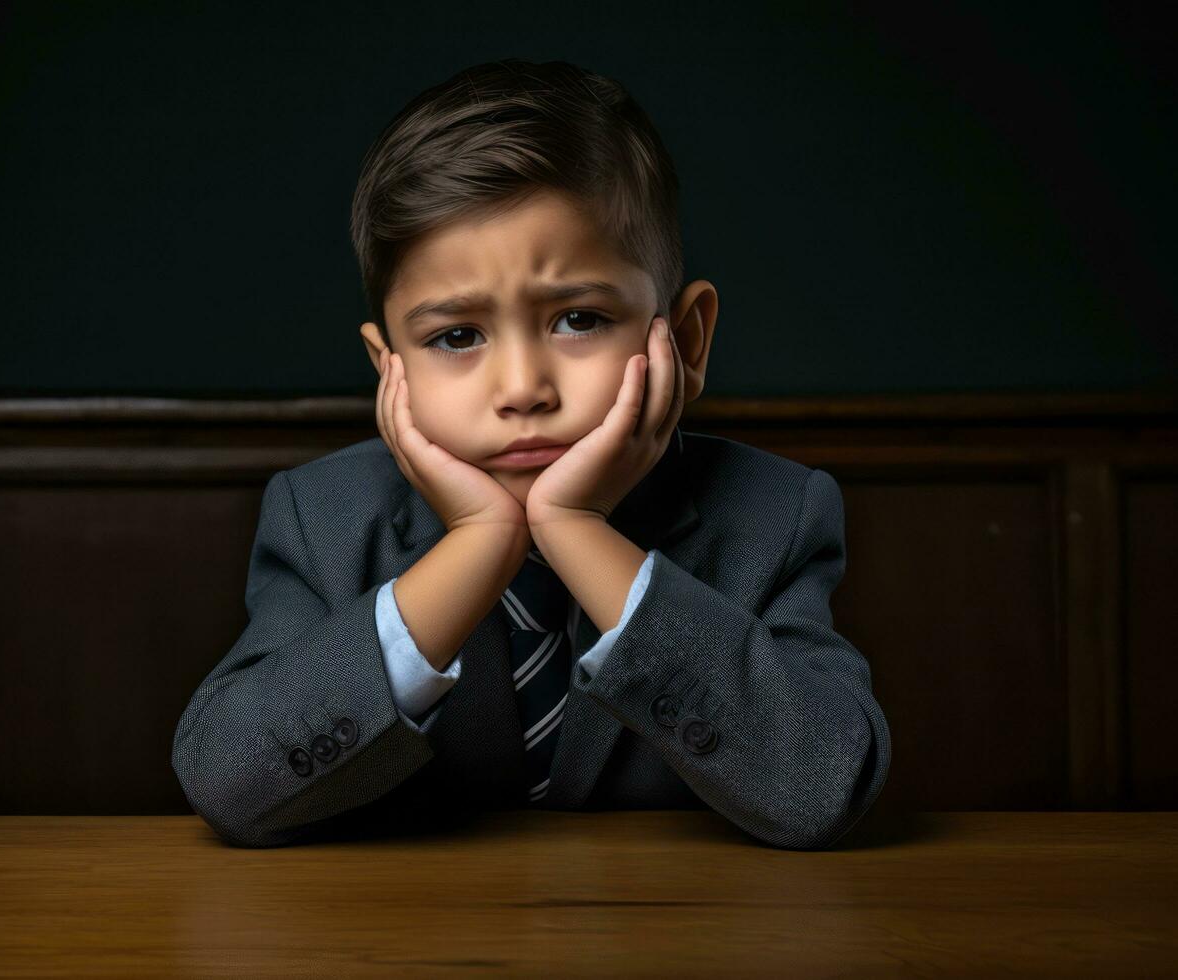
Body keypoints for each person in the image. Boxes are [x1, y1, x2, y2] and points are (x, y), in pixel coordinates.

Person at [172, 58, 890, 849]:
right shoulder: (323, 519)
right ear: (391, 371)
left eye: (577, 320)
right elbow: (229, 783)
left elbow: (824, 787)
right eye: (456, 337)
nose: (522, 388)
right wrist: (478, 545)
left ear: (684, 341)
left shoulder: (775, 513)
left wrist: (575, 527)